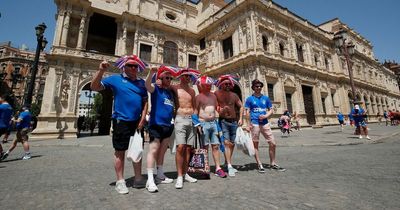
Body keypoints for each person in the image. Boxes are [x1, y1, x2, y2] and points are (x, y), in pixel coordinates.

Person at [90, 55, 148, 194]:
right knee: (120, 152)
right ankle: (120, 181)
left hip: (137, 123)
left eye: (135, 66)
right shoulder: (116, 79)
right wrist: (101, 71)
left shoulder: (141, 83)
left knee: (137, 151)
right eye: (130, 65)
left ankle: (138, 178)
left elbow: (145, 102)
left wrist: (143, 118)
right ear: (124, 67)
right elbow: (94, 87)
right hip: (121, 121)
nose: (134, 68)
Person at [145, 66, 178, 192]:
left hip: (168, 125)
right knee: (153, 150)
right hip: (156, 124)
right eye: (167, 77)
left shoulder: (169, 92)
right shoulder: (156, 89)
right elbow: (147, 85)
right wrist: (151, 73)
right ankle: (150, 179)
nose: (169, 80)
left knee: (162, 151)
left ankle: (160, 174)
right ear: (160, 78)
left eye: (170, 78)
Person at [245, 79, 285, 173]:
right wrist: (248, 124)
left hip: (265, 123)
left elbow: (271, 110)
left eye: (260, 86)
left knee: (273, 143)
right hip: (254, 123)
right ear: (253, 88)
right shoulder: (249, 99)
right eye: (256, 86)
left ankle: (273, 163)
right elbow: (247, 112)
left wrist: (266, 115)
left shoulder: (266, 98)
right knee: (255, 144)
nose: (258, 88)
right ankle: (259, 164)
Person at [171, 68, 200, 189]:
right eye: (186, 76)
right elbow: (162, 87)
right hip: (180, 118)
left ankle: (185, 173)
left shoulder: (192, 91)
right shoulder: (174, 88)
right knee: (180, 147)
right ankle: (179, 176)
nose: (188, 78)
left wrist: (197, 123)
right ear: (180, 76)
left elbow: (194, 107)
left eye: (189, 76)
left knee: (189, 148)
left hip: (191, 120)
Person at [193, 76, 227, 178]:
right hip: (203, 124)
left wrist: (221, 110)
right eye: (206, 85)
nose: (208, 87)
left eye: (209, 85)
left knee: (215, 146)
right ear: (201, 86)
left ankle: (218, 168)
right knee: (205, 147)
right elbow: (195, 112)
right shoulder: (198, 97)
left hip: (213, 123)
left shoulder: (213, 96)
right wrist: (197, 124)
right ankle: (205, 169)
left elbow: (216, 108)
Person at [214, 75, 243, 177]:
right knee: (226, 142)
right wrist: (220, 110)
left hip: (234, 121)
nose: (227, 85)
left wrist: (241, 118)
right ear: (221, 84)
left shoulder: (234, 95)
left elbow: (241, 106)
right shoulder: (216, 93)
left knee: (232, 143)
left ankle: (227, 162)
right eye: (225, 84)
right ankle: (230, 165)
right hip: (223, 121)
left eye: (229, 84)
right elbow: (214, 106)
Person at [0, 95, 13, 160]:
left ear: (3, 99)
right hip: (5, 126)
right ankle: (2, 153)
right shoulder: (10, 107)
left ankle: (2, 153)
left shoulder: (1, 106)